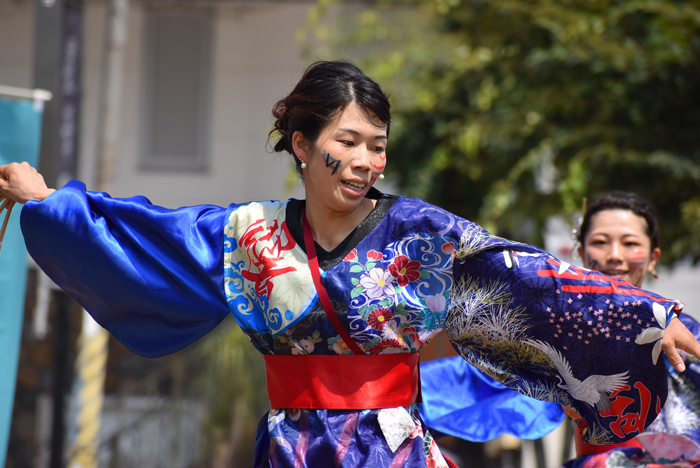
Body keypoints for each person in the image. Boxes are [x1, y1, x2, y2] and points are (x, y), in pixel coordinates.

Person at [1, 61, 699, 468]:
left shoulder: (424, 235)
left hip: (391, 448)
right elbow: (142, 235)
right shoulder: (249, 236)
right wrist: (47, 204)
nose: (367, 161)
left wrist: (650, 318)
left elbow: (535, 284)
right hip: (290, 448)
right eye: (350, 141)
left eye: (378, 146)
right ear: (302, 144)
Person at [561, 191, 700, 467]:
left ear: (652, 258)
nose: (614, 256)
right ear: (581, 253)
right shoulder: (560, 330)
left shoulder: (687, 334)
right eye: (600, 242)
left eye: (630, 243)